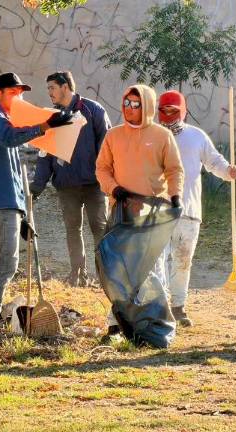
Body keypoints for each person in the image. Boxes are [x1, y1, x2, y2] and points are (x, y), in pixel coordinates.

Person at [0, 72, 73, 327]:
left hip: (6, 204)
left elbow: (16, 178)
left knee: (0, 263)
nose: (19, 97)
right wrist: (46, 125)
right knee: (6, 264)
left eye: (21, 93)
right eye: (13, 92)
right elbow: (8, 138)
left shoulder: (7, 120)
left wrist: (23, 216)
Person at [95, 84, 185, 339]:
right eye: (126, 103)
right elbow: (101, 169)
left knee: (150, 269)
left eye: (135, 104)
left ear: (146, 106)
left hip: (150, 213)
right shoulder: (113, 135)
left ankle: (155, 326)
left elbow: (174, 169)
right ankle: (116, 324)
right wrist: (114, 189)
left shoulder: (161, 135)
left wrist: (175, 195)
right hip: (120, 211)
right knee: (117, 269)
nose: (129, 109)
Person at [157, 90, 236, 327]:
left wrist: (228, 171)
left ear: (182, 111)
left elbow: (214, 161)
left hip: (189, 211)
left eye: (173, 111)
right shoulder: (152, 136)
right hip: (159, 210)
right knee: (159, 260)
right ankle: (161, 307)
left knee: (183, 260)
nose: (168, 115)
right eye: (163, 110)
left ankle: (178, 306)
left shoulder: (196, 136)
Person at [29, 71, 112, 286]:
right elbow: (44, 157)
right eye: (48, 89)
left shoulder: (93, 110)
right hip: (66, 186)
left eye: (52, 88)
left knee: (100, 229)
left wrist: (108, 180)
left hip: (95, 185)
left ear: (65, 87)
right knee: (72, 229)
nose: (49, 93)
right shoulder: (51, 118)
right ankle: (78, 275)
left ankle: (106, 276)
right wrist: (36, 188)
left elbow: (107, 147)